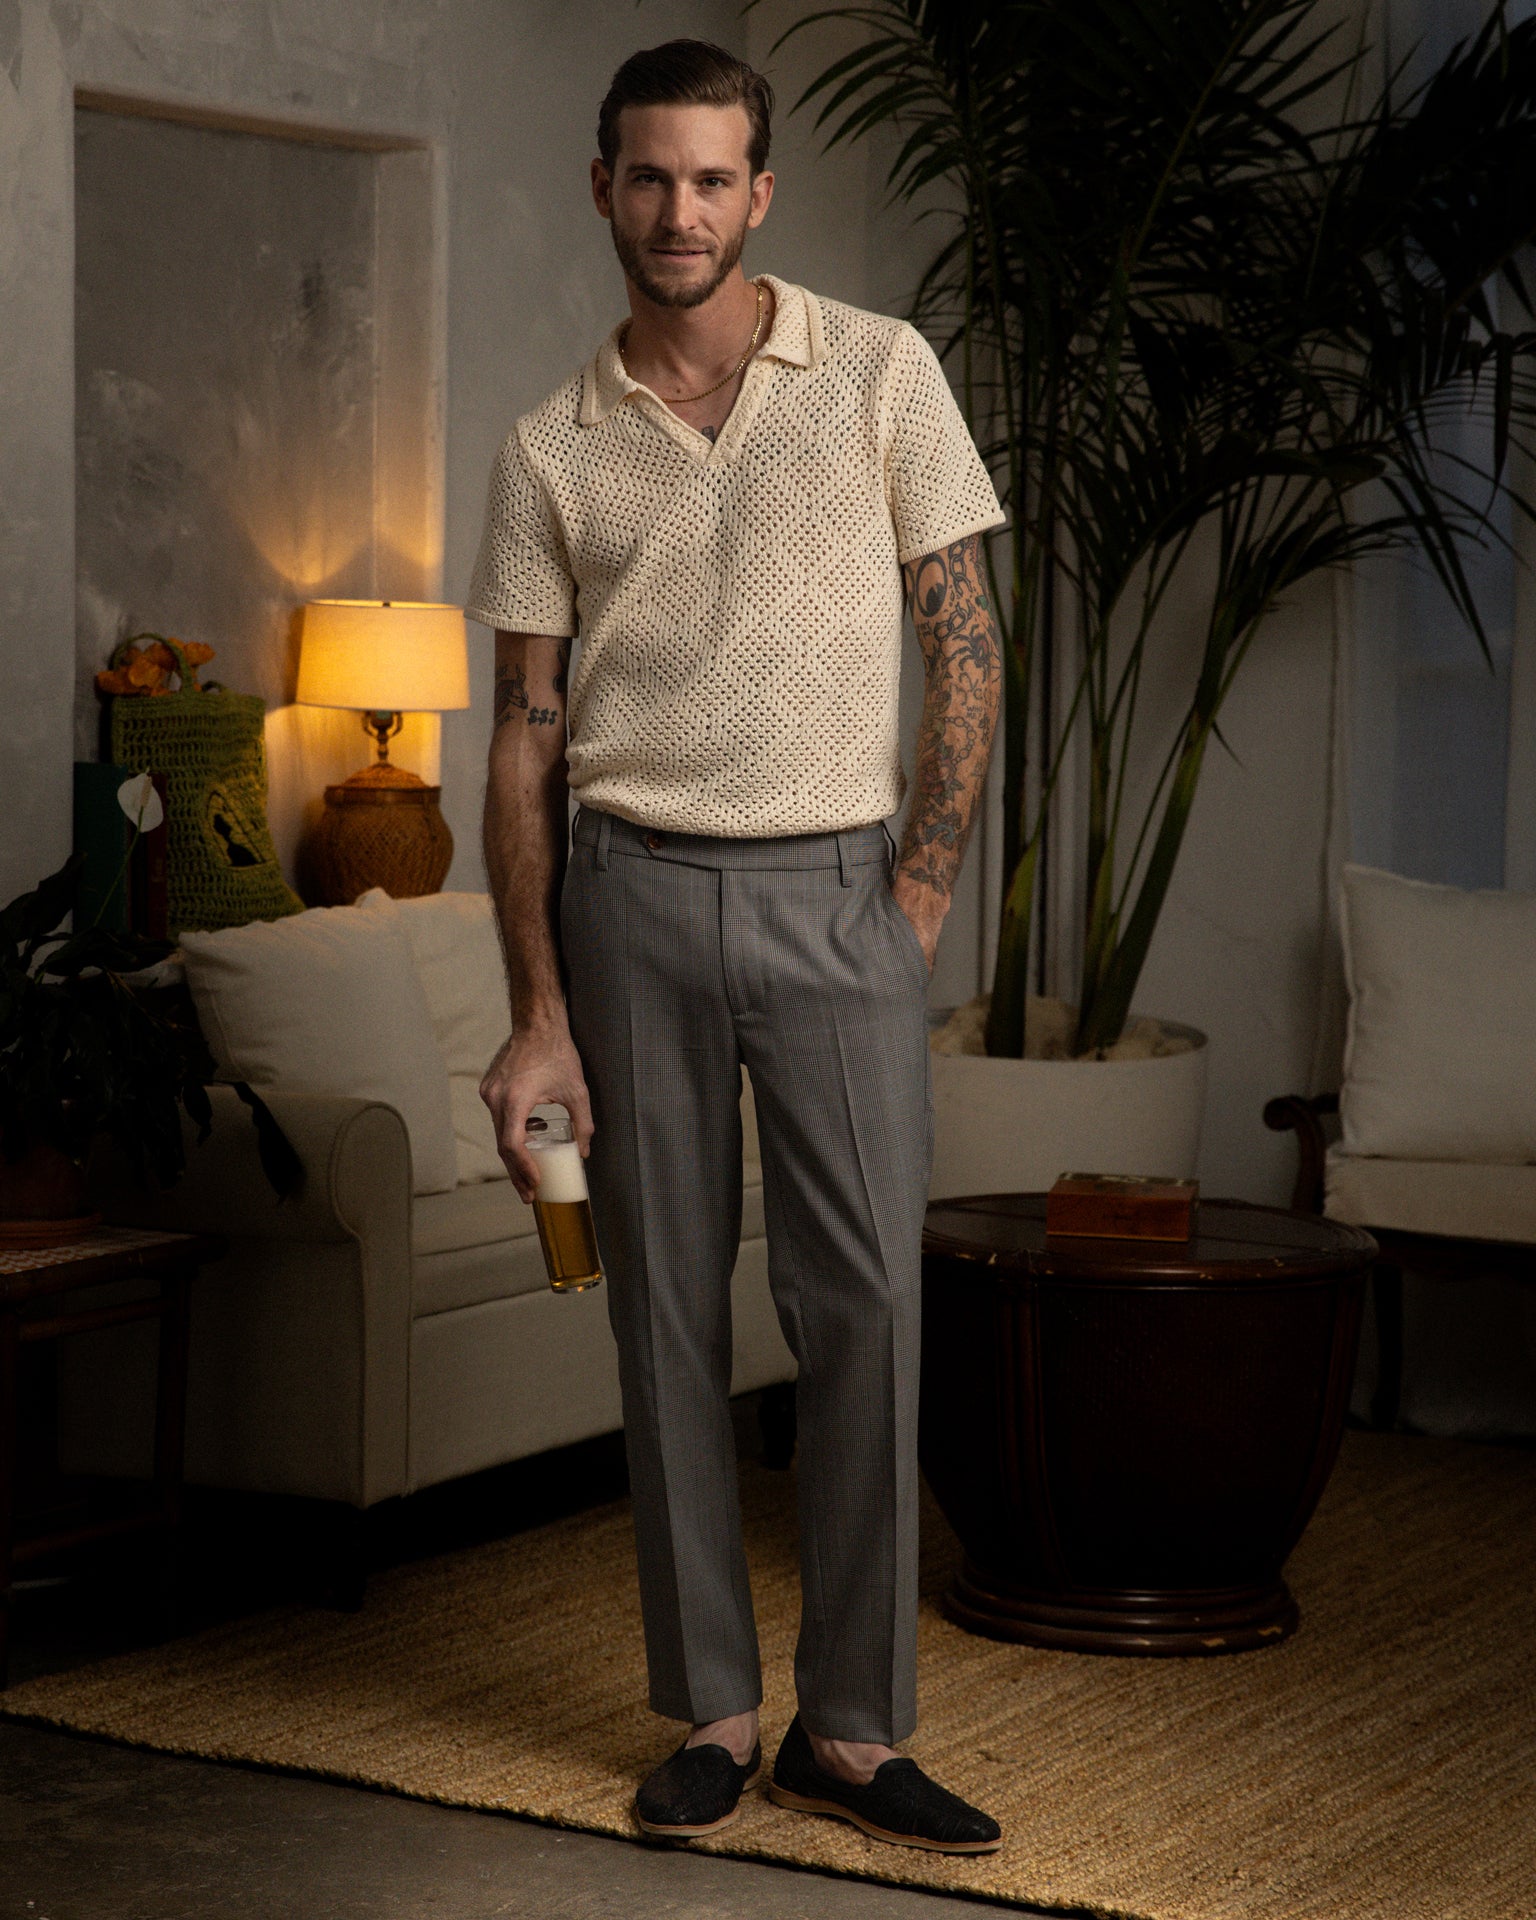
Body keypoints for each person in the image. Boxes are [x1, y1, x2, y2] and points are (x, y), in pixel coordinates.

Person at [470, 38, 1005, 1855]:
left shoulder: (880, 372)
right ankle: (712, 1706)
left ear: (758, 192)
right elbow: (525, 738)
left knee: (863, 1307)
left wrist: (917, 893)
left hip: (840, 894)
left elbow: (967, 638)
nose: (680, 210)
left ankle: (851, 1732)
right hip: (626, 906)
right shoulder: (551, 448)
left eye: (713, 179)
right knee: (663, 1320)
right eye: (649, 177)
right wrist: (537, 1010)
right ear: (603, 188)